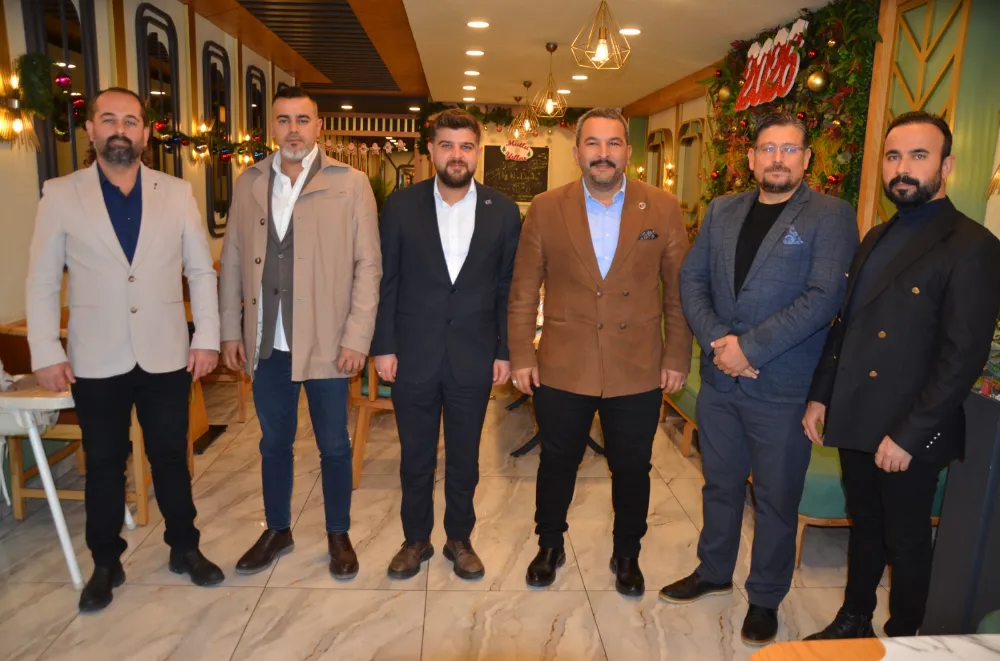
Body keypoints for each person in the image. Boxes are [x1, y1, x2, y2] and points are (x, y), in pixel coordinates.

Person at [659, 111, 859, 645]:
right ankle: (713, 571)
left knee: (775, 499)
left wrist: (749, 348)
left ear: (806, 158)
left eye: (790, 149)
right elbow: (692, 280)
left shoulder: (831, 215)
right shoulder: (723, 210)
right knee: (719, 485)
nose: (778, 159)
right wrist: (720, 343)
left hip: (782, 389)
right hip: (721, 384)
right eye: (768, 149)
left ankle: (766, 598)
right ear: (751, 158)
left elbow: (824, 298)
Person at [26, 87, 224, 612]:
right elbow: (42, 278)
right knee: (104, 463)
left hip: (166, 353)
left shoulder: (176, 192)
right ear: (91, 129)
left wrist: (206, 336)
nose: (120, 129)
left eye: (130, 121)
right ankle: (105, 562)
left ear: (145, 132)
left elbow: (200, 270)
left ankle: (185, 547)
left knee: (171, 458)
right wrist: (45, 349)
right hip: (95, 356)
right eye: (109, 119)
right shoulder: (60, 194)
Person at [803, 111, 1000, 640]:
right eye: (893, 156)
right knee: (864, 524)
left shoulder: (973, 244)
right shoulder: (876, 235)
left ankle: (909, 638)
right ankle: (853, 619)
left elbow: (962, 356)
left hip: (912, 427)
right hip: (857, 413)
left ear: (946, 166)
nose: (902, 168)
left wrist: (910, 435)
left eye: (918, 155)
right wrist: (821, 395)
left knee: (907, 540)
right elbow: (847, 325)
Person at [507, 107, 692, 596]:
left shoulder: (662, 207)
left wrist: (676, 356)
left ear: (628, 152)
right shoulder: (546, 207)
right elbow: (523, 289)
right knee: (557, 461)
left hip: (637, 365)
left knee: (632, 468)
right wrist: (522, 354)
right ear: (577, 153)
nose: (603, 153)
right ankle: (549, 545)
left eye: (613, 143)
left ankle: (627, 553)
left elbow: (679, 292)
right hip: (563, 363)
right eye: (593, 143)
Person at [218, 86, 382, 580]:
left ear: (319, 126)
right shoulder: (249, 182)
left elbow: (368, 265)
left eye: (303, 120)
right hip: (267, 341)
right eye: (284, 120)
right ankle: (277, 530)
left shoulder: (350, 183)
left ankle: (338, 533)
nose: (294, 129)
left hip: (328, 342)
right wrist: (230, 330)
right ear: (272, 126)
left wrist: (357, 337)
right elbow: (232, 259)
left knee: (334, 443)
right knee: (273, 442)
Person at [371, 109, 521, 580]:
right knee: (415, 458)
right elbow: (386, 281)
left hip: (473, 356)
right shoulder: (400, 206)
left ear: (479, 152)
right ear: (432, 150)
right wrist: (383, 345)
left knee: (464, 459)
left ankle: (459, 538)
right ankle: (415, 540)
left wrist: (504, 350)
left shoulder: (503, 210)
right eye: (448, 145)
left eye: (466, 146)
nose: (457, 155)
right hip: (412, 353)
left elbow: (507, 287)